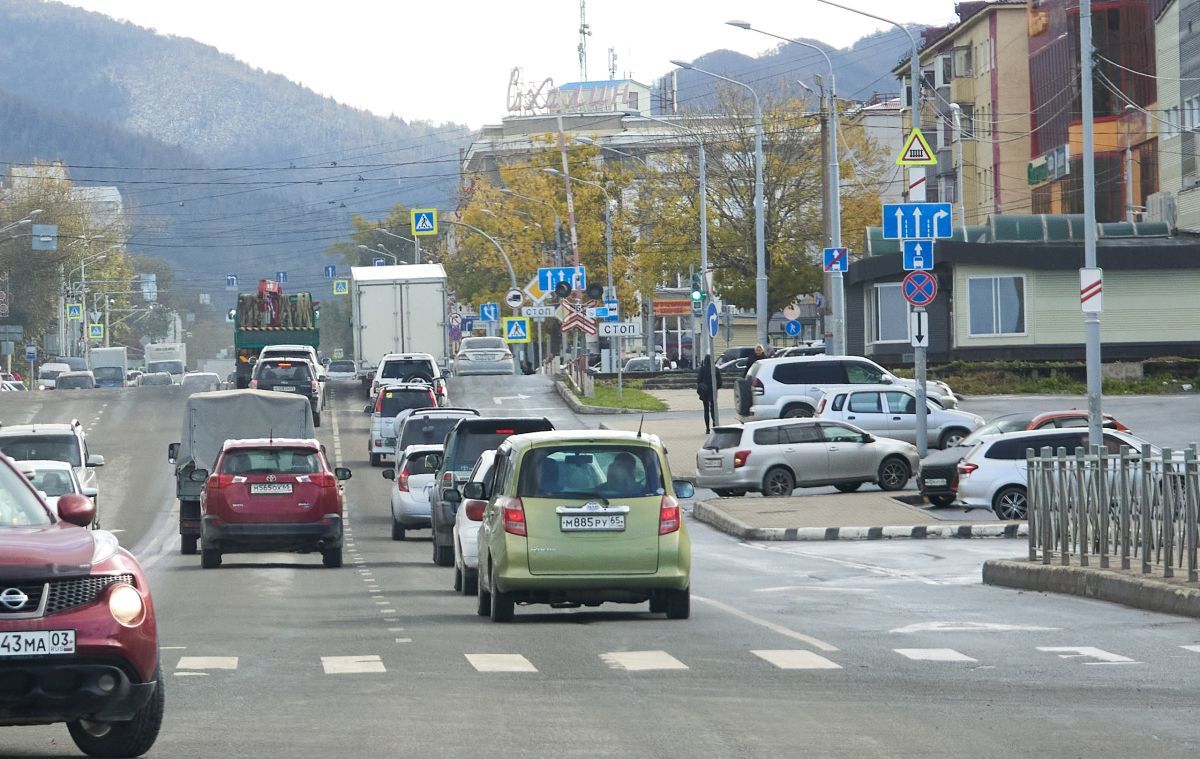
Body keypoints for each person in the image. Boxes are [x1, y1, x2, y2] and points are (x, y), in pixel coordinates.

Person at [696, 355, 722, 434]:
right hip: (713, 391)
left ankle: (707, 428)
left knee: (706, 410)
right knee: (713, 409)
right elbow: (720, 382)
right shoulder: (716, 369)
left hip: (704, 391)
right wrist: (716, 387)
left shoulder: (702, 369)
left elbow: (698, 380)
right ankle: (715, 425)